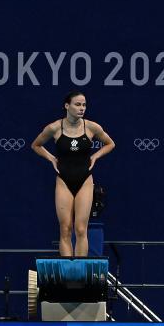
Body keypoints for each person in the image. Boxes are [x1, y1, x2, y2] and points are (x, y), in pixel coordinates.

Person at [31, 91, 115, 257]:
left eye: (84, 105)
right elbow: (36, 145)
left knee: (81, 229)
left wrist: (95, 156)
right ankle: (69, 276)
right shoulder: (54, 127)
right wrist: (51, 159)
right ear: (67, 106)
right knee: (65, 229)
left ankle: (81, 275)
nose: (82, 108)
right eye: (77, 104)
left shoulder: (91, 127)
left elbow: (110, 143)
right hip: (64, 180)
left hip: (84, 180)